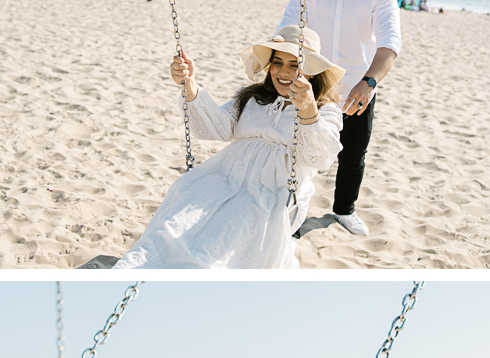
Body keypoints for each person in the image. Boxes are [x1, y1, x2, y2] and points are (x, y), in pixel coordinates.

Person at [112, 25, 344, 269]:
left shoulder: (325, 110)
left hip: (272, 192)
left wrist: (308, 111)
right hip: (224, 177)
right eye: (277, 62)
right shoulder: (253, 98)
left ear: (312, 72)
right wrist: (189, 84)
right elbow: (217, 127)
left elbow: (319, 156)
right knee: (173, 226)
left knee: (219, 247)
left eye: (294, 65)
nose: (283, 72)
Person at [278, 0, 401, 237]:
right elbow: (287, 29)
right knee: (301, 150)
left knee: (352, 154)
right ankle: (293, 213)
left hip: (357, 88)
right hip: (312, 86)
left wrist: (369, 82)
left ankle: (344, 210)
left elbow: (389, 45)